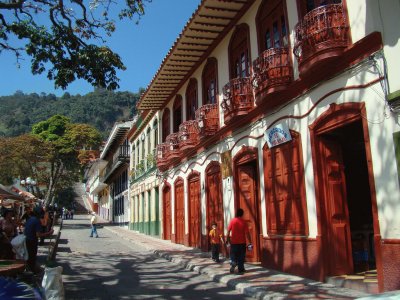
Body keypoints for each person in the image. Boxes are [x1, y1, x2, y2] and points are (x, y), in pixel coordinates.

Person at [24, 206, 54, 273]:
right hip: (32, 241)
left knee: (29, 257)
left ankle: (30, 270)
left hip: (27, 240)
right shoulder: (36, 221)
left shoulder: (30, 219)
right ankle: (32, 272)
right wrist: (49, 233)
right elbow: (38, 235)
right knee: (32, 257)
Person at [226, 208, 252, 274]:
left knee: (233, 254)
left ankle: (233, 262)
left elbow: (228, 231)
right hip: (242, 242)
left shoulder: (232, 221)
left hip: (234, 242)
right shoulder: (244, 222)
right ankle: (241, 268)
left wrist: (227, 239)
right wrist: (250, 242)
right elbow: (247, 233)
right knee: (241, 256)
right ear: (242, 214)